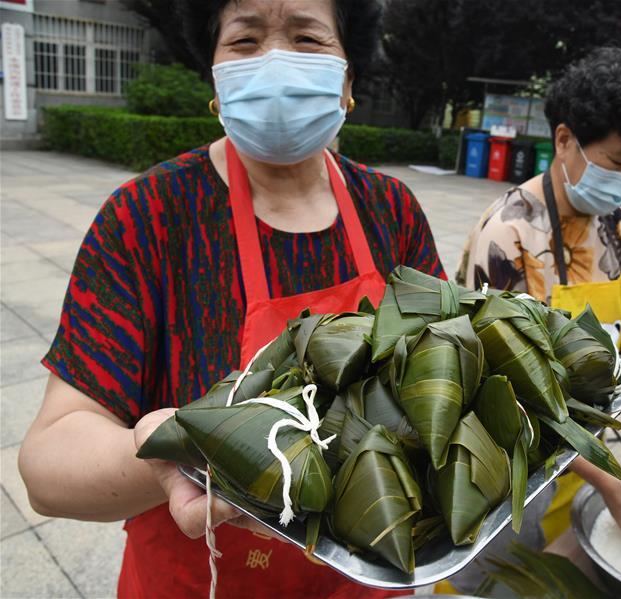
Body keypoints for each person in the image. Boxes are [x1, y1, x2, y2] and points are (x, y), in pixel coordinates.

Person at [17, 1, 443, 597]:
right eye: (244, 42)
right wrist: (166, 454)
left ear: (348, 77)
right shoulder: (149, 216)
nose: (275, 62)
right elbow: (48, 466)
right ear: (215, 79)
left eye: (306, 37)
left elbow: (440, 374)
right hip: (201, 577)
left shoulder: (391, 210)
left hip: (367, 571)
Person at [452, 47, 621, 593]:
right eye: (617, 160)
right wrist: (607, 478)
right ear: (564, 141)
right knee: (505, 577)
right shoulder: (508, 234)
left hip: (583, 446)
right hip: (511, 463)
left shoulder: (615, 223)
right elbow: (505, 394)